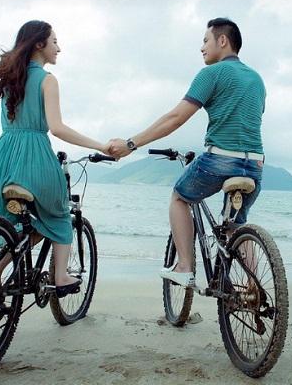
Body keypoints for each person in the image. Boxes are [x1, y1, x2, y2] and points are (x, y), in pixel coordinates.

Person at [0, 20, 109, 297]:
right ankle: (60, 275)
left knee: (24, 223)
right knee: (58, 213)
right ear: (40, 44)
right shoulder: (48, 80)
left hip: (3, 158)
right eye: (55, 41)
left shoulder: (11, 79)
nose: (59, 48)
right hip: (34, 157)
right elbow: (57, 128)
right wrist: (101, 145)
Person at [108, 17, 266, 287]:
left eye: (206, 41)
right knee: (235, 227)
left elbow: (175, 118)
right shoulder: (257, 79)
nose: (202, 47)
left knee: (180, 198)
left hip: (220, 161)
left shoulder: (211, 74)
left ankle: (184, 268)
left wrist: (131, 143)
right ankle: (255, 287)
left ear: (223, 41)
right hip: (255, 165)